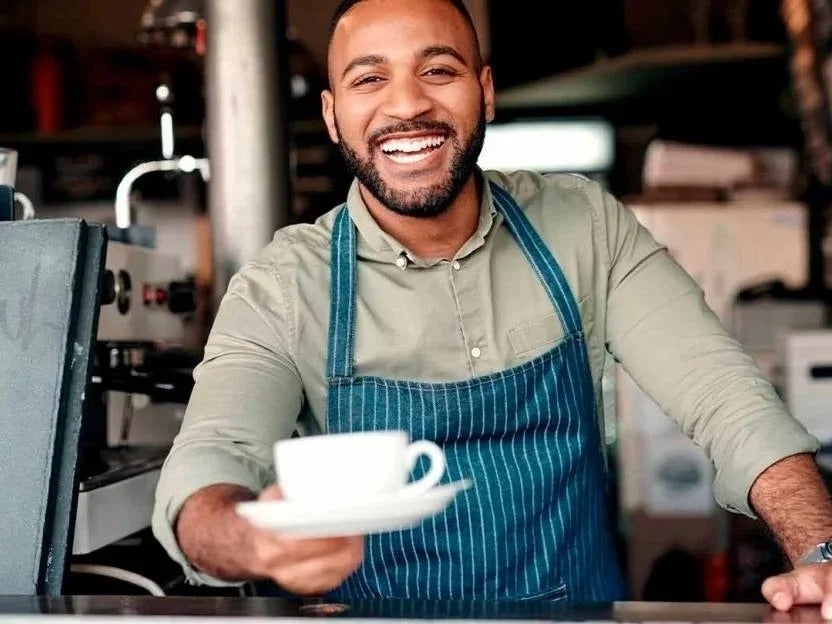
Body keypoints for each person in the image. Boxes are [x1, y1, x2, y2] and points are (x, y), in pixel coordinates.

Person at [153, 0, 832, 611]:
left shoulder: (584, 227)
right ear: (333, 115)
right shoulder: (283, 285)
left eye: (438, 71)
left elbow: (729, 401)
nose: (406, 106)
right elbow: (209, 466)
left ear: (485, 90)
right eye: (369, 79)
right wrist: (252, 540)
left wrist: (820, 552)